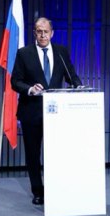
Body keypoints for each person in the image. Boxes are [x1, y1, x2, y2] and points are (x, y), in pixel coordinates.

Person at [11, 16, 81, 205]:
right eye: (39, 32)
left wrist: (79, 86)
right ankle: (38, 191)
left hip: (56, 113)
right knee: (33, 154)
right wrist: (30, 89)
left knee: (55, 154)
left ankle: (56, 188)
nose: (42, 35)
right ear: (34, 33)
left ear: (52, 33)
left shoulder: (60, 52)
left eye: (46, 32)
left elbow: (71, 75)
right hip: (31, 112)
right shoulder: (24, 53)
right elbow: (15, 81)